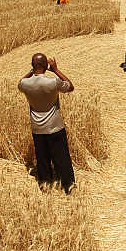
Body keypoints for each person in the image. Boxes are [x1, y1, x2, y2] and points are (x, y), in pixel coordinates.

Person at [18, 53, 76, 194]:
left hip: (37, 127)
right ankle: (68, 186)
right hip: (55, 126)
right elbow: (70, 87)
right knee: (61, 157)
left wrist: (33, 70)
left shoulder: (25, 84)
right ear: (45, 66)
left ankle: (45, 185)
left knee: (42, 158)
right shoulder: (52, 82)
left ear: (32, 66)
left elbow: (21, 81)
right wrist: (55, 69)